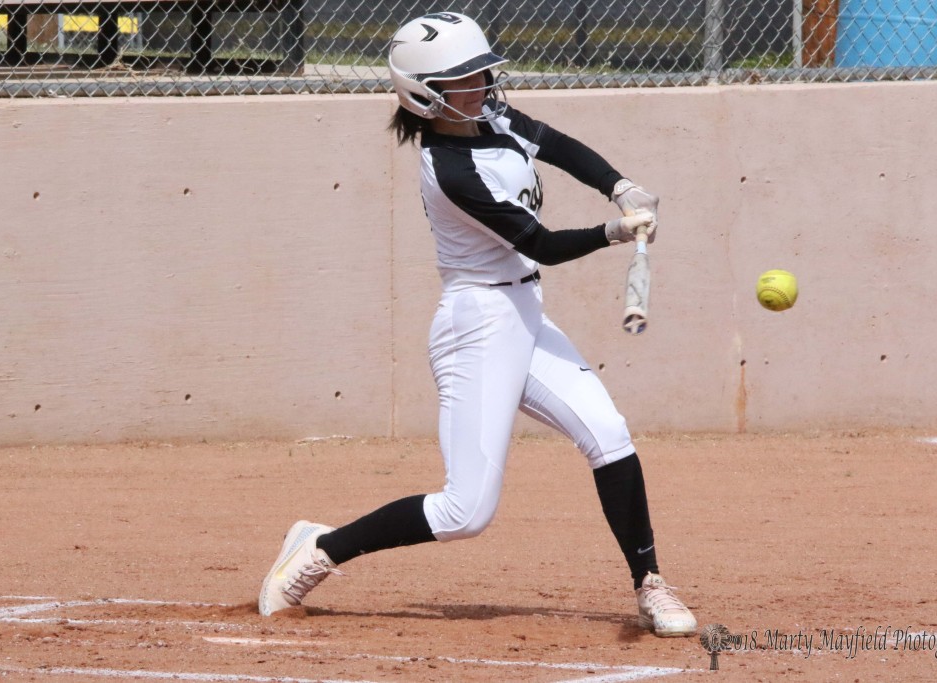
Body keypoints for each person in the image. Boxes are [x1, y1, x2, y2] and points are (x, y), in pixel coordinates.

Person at [258, 11, 697, 638]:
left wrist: (620, 187)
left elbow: (555, 142)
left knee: (609, 434)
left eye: (484, 71)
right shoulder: (450, 171)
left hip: (523, 312)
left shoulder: (487, 113)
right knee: (465, 511)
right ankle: (322, 549)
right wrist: (614, 232)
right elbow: (539, 243)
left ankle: (650, 585)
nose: (487, 83)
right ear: (426, 94)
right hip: (478, 326)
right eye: (469, 77)